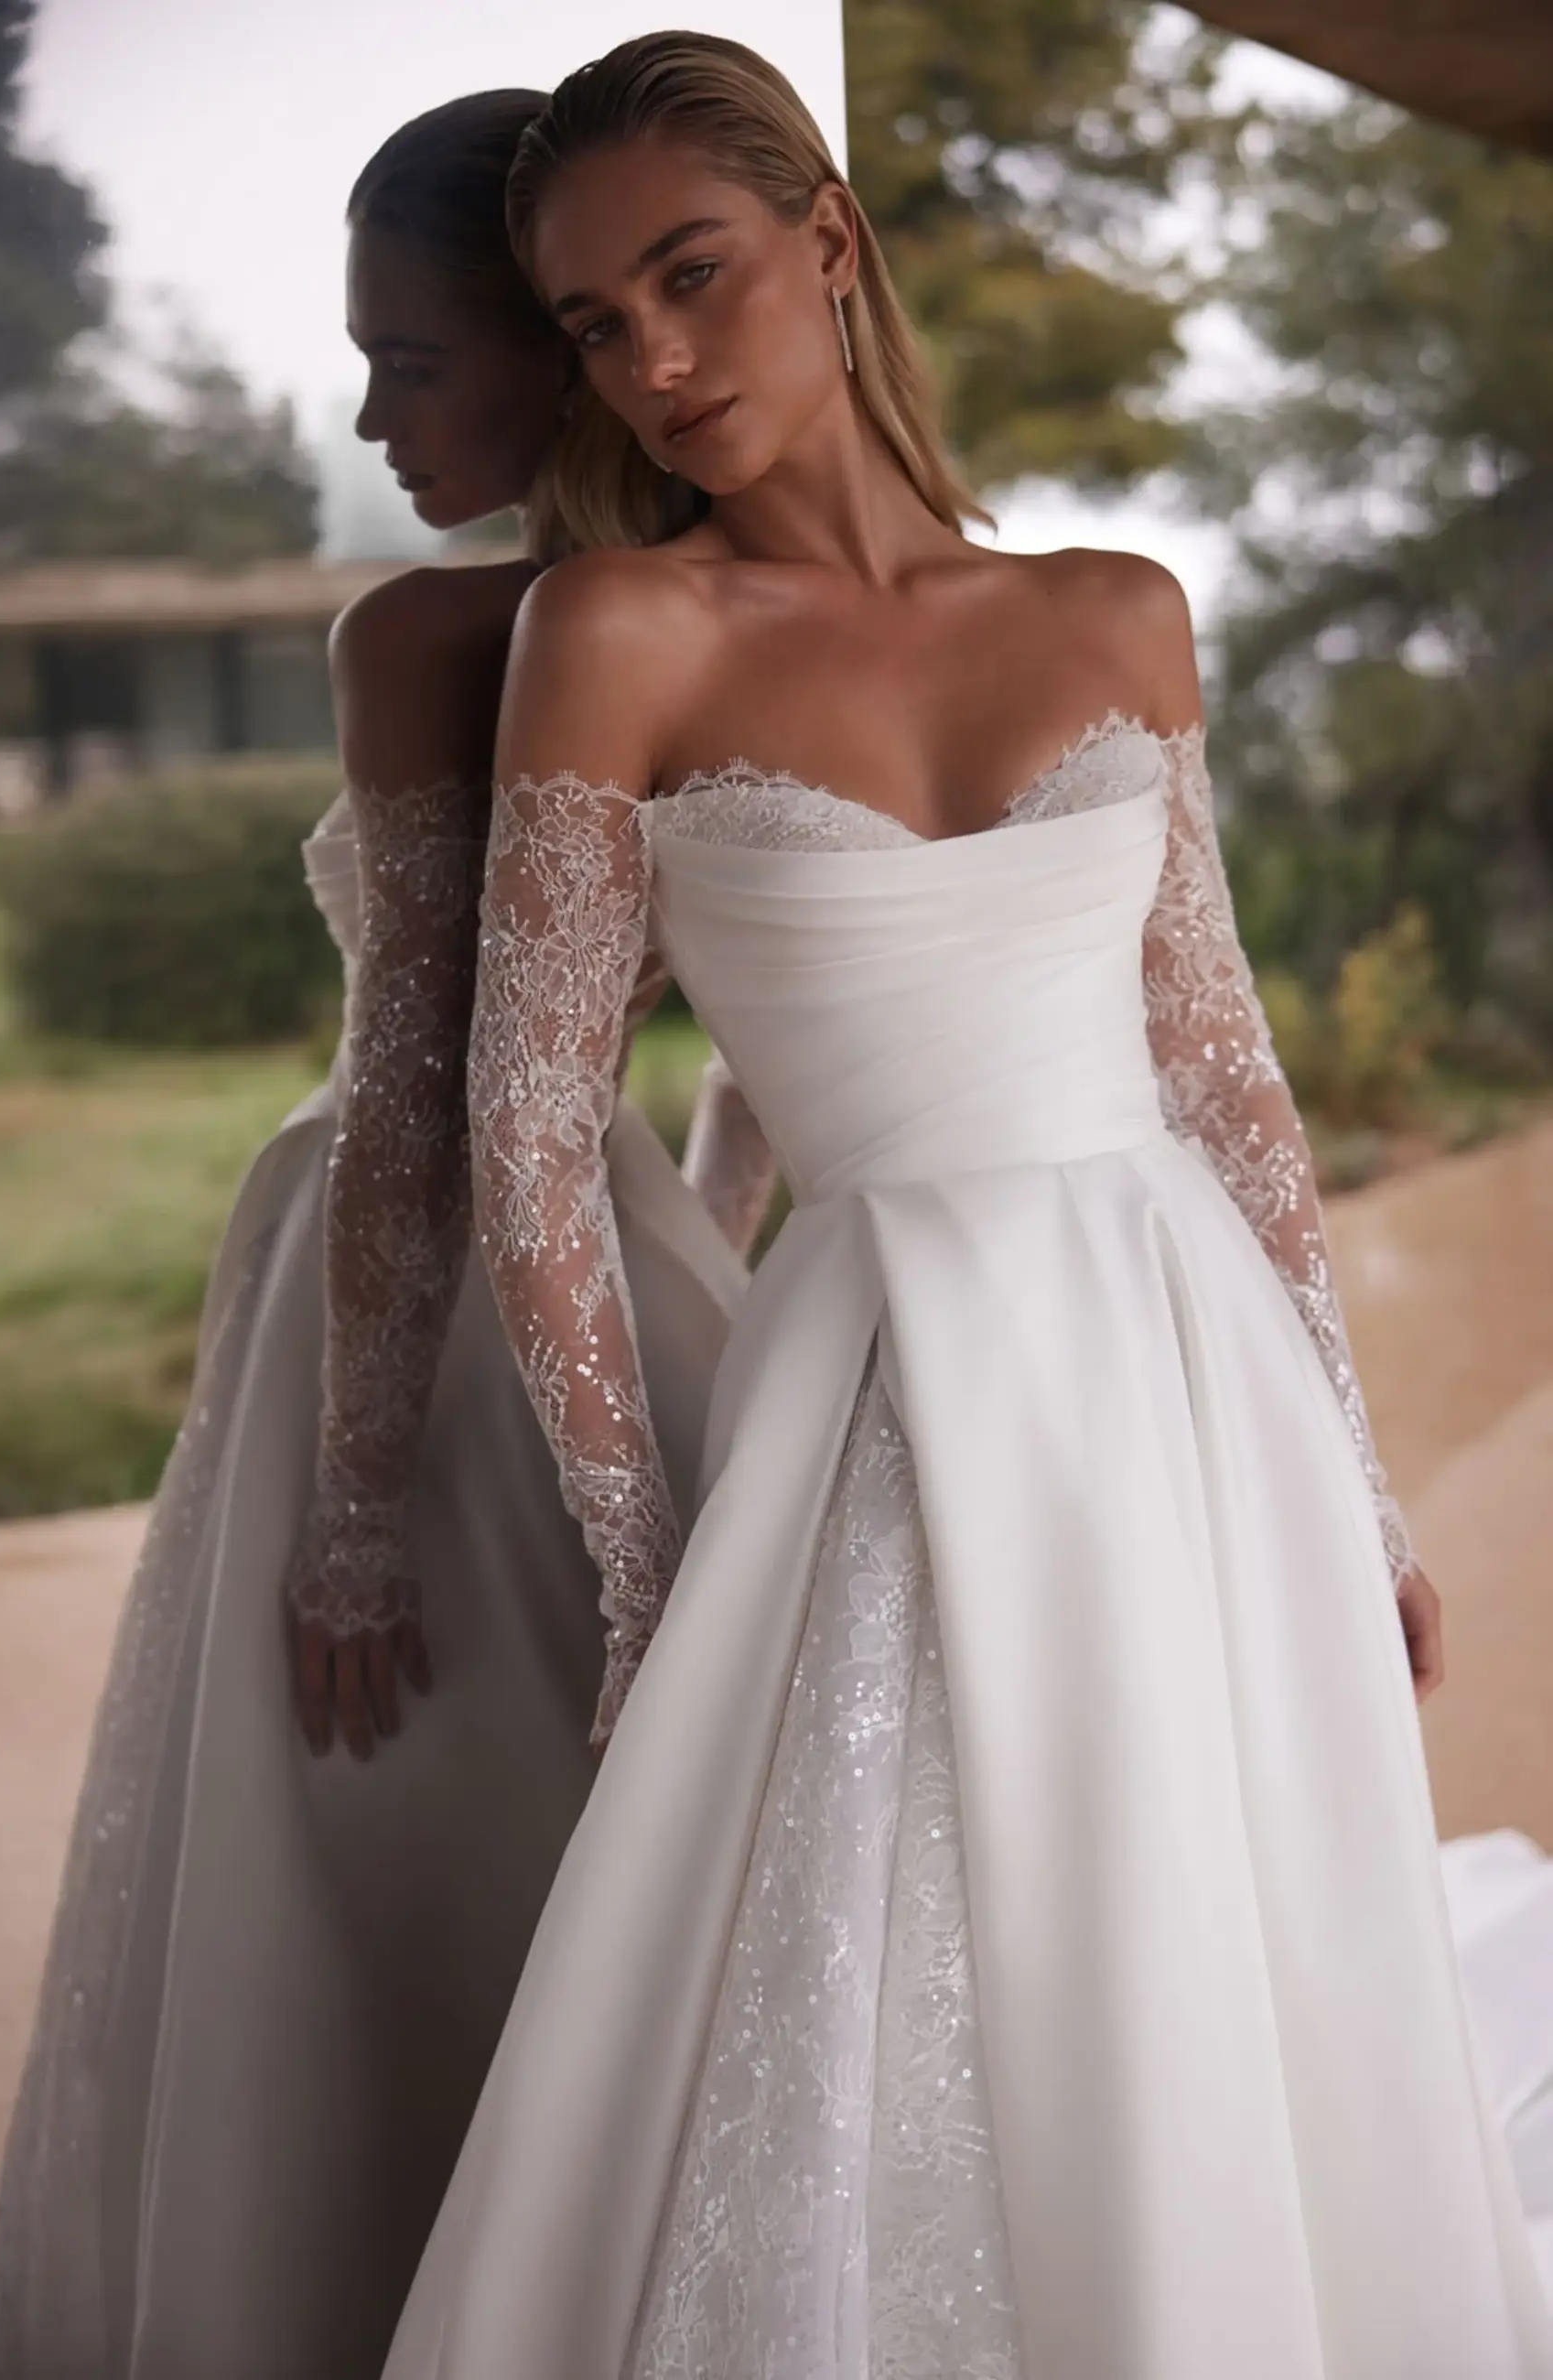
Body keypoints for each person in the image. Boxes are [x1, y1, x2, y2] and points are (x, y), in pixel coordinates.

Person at [381, 35, 1553, 2380]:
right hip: (883, 1387)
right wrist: (639, 1570)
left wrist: (1352, 1462)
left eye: (692, 277)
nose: (662, 361)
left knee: (1207, 1923)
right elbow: (528, 1129)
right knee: (900, 1960)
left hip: (1187, 1361)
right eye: (601, 325)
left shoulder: (1117, 611)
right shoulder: (613, 638)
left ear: (830, 239)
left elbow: (1223, 1074)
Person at [0, 92, 752, 2380]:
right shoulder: (730, 630)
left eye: (411, 359)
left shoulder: (432, 633)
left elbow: (417, 1095)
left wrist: (349, 1509)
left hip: (397, 1307)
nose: (370, 409)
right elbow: (768, 1042)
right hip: (611, 1250)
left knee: (377, 1830)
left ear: (548, 349)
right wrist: (707, 1271)